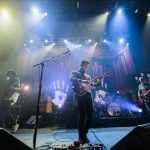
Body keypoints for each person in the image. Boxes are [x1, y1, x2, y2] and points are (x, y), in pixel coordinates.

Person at [70, 60, 98, 144]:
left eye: (87, 65)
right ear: (81, 65)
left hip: (88, 96)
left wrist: (98, 82)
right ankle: (81, 136)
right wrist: (82, 81)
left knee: (90, 115)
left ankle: (83, 134)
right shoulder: (75, 72)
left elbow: (91, 86)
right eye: (85, 65)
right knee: (82, 115)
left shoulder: (88, 76)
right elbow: (71, 79)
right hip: (80, 96)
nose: (86, 66)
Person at [1, 69, 22, 133]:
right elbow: (5, 89)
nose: (9, 75)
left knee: (4, 110)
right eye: (8, 74)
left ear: (13, 74)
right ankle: (6, 125)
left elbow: (19, 89)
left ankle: (13, 124)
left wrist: (13, 88)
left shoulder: (16, 79)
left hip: (10, 97)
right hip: (5, 97)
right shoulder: (8, 80)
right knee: (3, 111)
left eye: (10, 74)